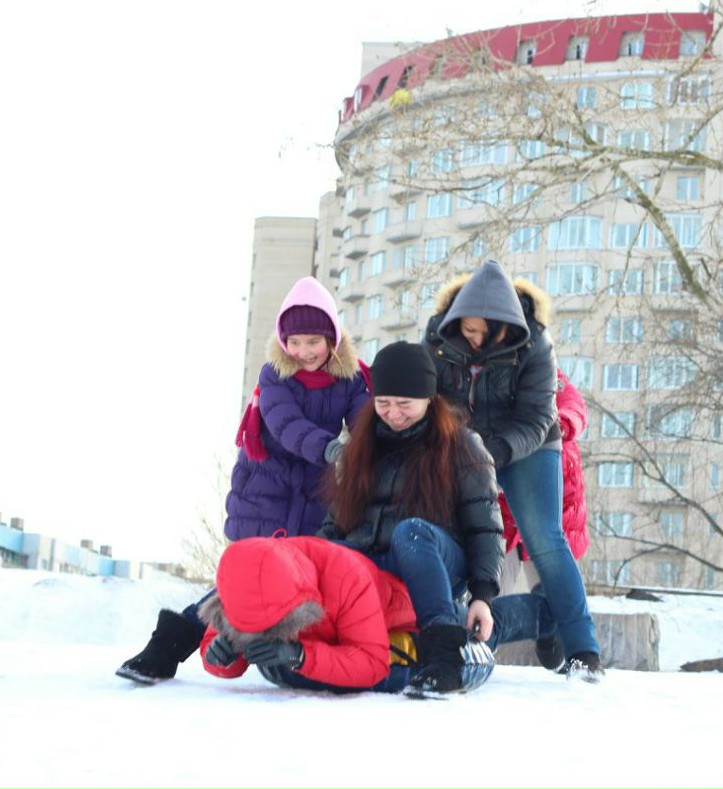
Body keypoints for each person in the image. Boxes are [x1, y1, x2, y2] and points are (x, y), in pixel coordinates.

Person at [116, 276, 369, 684]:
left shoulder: (353, 379)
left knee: (301, 584)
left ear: (333, 340)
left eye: (314, 342)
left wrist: (367, 452)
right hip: (266, 493)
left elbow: (366, 422)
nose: (304, 351)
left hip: (316, 497)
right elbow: (286, 425)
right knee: (245, 584)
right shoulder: (274, 376)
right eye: (296, 341)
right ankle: (165, 647)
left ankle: (300, 659)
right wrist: (332, 450)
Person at [317, 341, 556, 696]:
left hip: (438, 562)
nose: (393, 413)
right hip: (375, 572)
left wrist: (482, 596)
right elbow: (335, 525)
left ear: (429, 398)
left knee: (411, 534)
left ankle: (445, 654)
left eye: (405, 405)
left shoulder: (461, 446)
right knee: (326, 554)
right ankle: (537, 614)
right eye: (383, 403)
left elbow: (485, 528)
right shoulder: (361, 448)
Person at [424, 260, 604, 681]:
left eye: (487, 333)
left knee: (545, 537)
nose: (476, 341)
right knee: (442, 530)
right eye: (469, 331)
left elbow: (540, 418)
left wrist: (498, 451)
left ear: (509, 325)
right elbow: (430, 399)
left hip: (527, 444)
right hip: (464, 444)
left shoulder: (535, 344)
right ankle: (437, 636)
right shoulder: (437, 337)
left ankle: (584, 652)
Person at [195, 535, 499, 695]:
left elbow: (372, 664)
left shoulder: (344, 576)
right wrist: (219, 657)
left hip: (406, 613)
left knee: (490, 628)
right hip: (346, 631)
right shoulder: (246, 579)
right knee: (275, 669)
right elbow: (218, 638)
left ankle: (544, 612)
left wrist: (301, 656)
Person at [497, 368, 590, 669]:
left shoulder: (546, 373)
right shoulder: (485, 381)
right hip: (505, 518)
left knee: (559, 594)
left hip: (555, 518)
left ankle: (555, 638)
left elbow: (574, 405)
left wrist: (560, 424)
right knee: (490, 591)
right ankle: (478, 649)